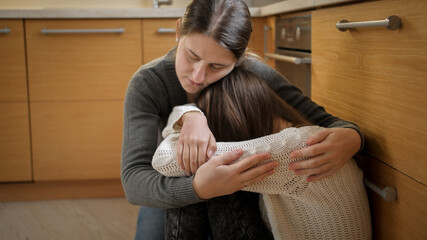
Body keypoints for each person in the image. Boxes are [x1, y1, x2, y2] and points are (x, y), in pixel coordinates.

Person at [121, 0, 364, 239]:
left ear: (238, 59)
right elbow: (135, 180)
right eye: (192, 56)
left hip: (242, 183)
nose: (198, 76)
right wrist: (191, 121)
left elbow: (329, 123)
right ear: (177, 32)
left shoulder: (252, 72)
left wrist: (354, 138)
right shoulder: (148, 83)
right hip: (169, 182)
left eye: (216, 66)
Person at [152, 66, 371, 239]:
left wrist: (190, 116)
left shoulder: (293, 148)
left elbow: (164, 159)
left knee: (194, 174)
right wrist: (193, 117)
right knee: (202, 176)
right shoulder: (295, 133)